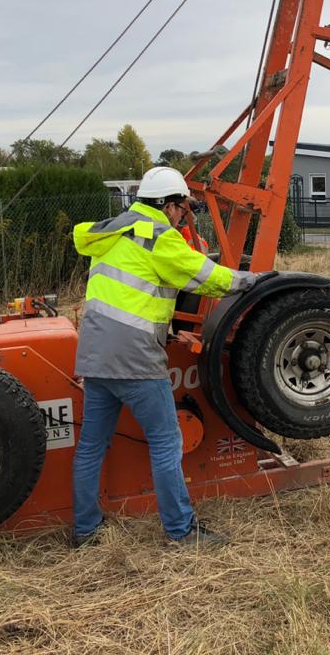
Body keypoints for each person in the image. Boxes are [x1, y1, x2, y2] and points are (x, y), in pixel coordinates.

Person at [71, 166, 258, 547]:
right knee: (166, 441)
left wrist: (167, 329)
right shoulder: (157, 236)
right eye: (182, 208)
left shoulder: (112, 234)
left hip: (94, 354)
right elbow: (207, 276)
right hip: (136, 359)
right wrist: (254, 279)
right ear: (170, 206)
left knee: (92, 445)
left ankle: (84, 529)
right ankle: (181, 529)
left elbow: (130, 295)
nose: (182, 216)